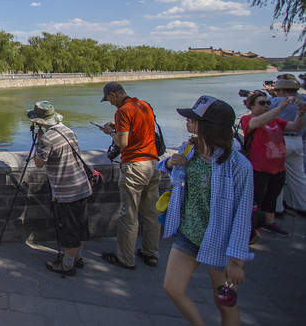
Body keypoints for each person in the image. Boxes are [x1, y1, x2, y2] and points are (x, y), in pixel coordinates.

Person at [160, 95, 253, 326]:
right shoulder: (189, 149)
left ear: (209, 126)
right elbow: (173, 175)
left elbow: (242, 216)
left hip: (219, 241)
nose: (188, 122)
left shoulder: (239, 166)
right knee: (172, 288)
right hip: (189, 232)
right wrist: (170, 164)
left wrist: (237, 261)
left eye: (194, 118)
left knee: (224, 301)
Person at [97, 81, 161, 269]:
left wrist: (110, 132)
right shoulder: (144, 105)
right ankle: (151, 253)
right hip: (152, 163)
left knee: (129, 214)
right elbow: (139, 132)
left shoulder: (122, 111)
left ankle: (125, 258)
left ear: (113, 95)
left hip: (134, 166)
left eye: (108, 99)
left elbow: (123, 143)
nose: (109, 103)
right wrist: (116, 127)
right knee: (151, 213)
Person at [29, 101, 91, 277]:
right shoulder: (68, 131)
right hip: (82, 185)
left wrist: (38, 144)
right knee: (80, 225)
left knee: (69, 228)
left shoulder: (48, 138)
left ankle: (67, 264)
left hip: (66, 190)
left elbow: (39, 163)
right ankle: (77, 257)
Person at [239, 89, 305, 238]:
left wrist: (300, 114)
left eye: (268, 102)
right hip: (258, 167)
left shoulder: (276, 121)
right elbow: (259, 122)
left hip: (278, 168)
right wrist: (280, 107)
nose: (266, 105)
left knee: (272, 197)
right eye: (262, 103)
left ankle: (269, 223)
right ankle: (249, 227)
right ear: (251, 106)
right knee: (255, 199)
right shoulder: (247, 120)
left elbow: (295, 127)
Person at [269, 75, 306, 217]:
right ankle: (302, 206)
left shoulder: (276, 101)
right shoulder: (303, 100)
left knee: (277, 176)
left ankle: (278, 209)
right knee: (299, 176)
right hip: (297, 140)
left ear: (283, 91)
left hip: (280, 140)